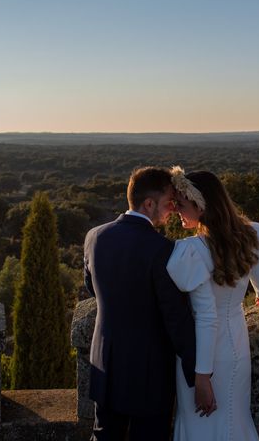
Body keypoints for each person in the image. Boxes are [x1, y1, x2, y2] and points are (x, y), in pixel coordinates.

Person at [166, 167, 259, 441]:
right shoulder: (248, 239)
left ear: (200, 206)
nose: (176, 210)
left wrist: (201, 376)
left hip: (200, 351)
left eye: (181, 205)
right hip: (236, 345)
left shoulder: (191, 251)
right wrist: (257, 296)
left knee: (197, 424)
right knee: (233, 418)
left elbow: (206, 318)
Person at [83, 166, 196, 441]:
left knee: (104, 437)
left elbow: (92, 287)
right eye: (169, 201)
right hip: (150, 372)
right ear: (149, 203)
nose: (172, 208)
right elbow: (175, 317)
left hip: (105, 362)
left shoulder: (94, 237)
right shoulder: (162, 249)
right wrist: (197, 373)